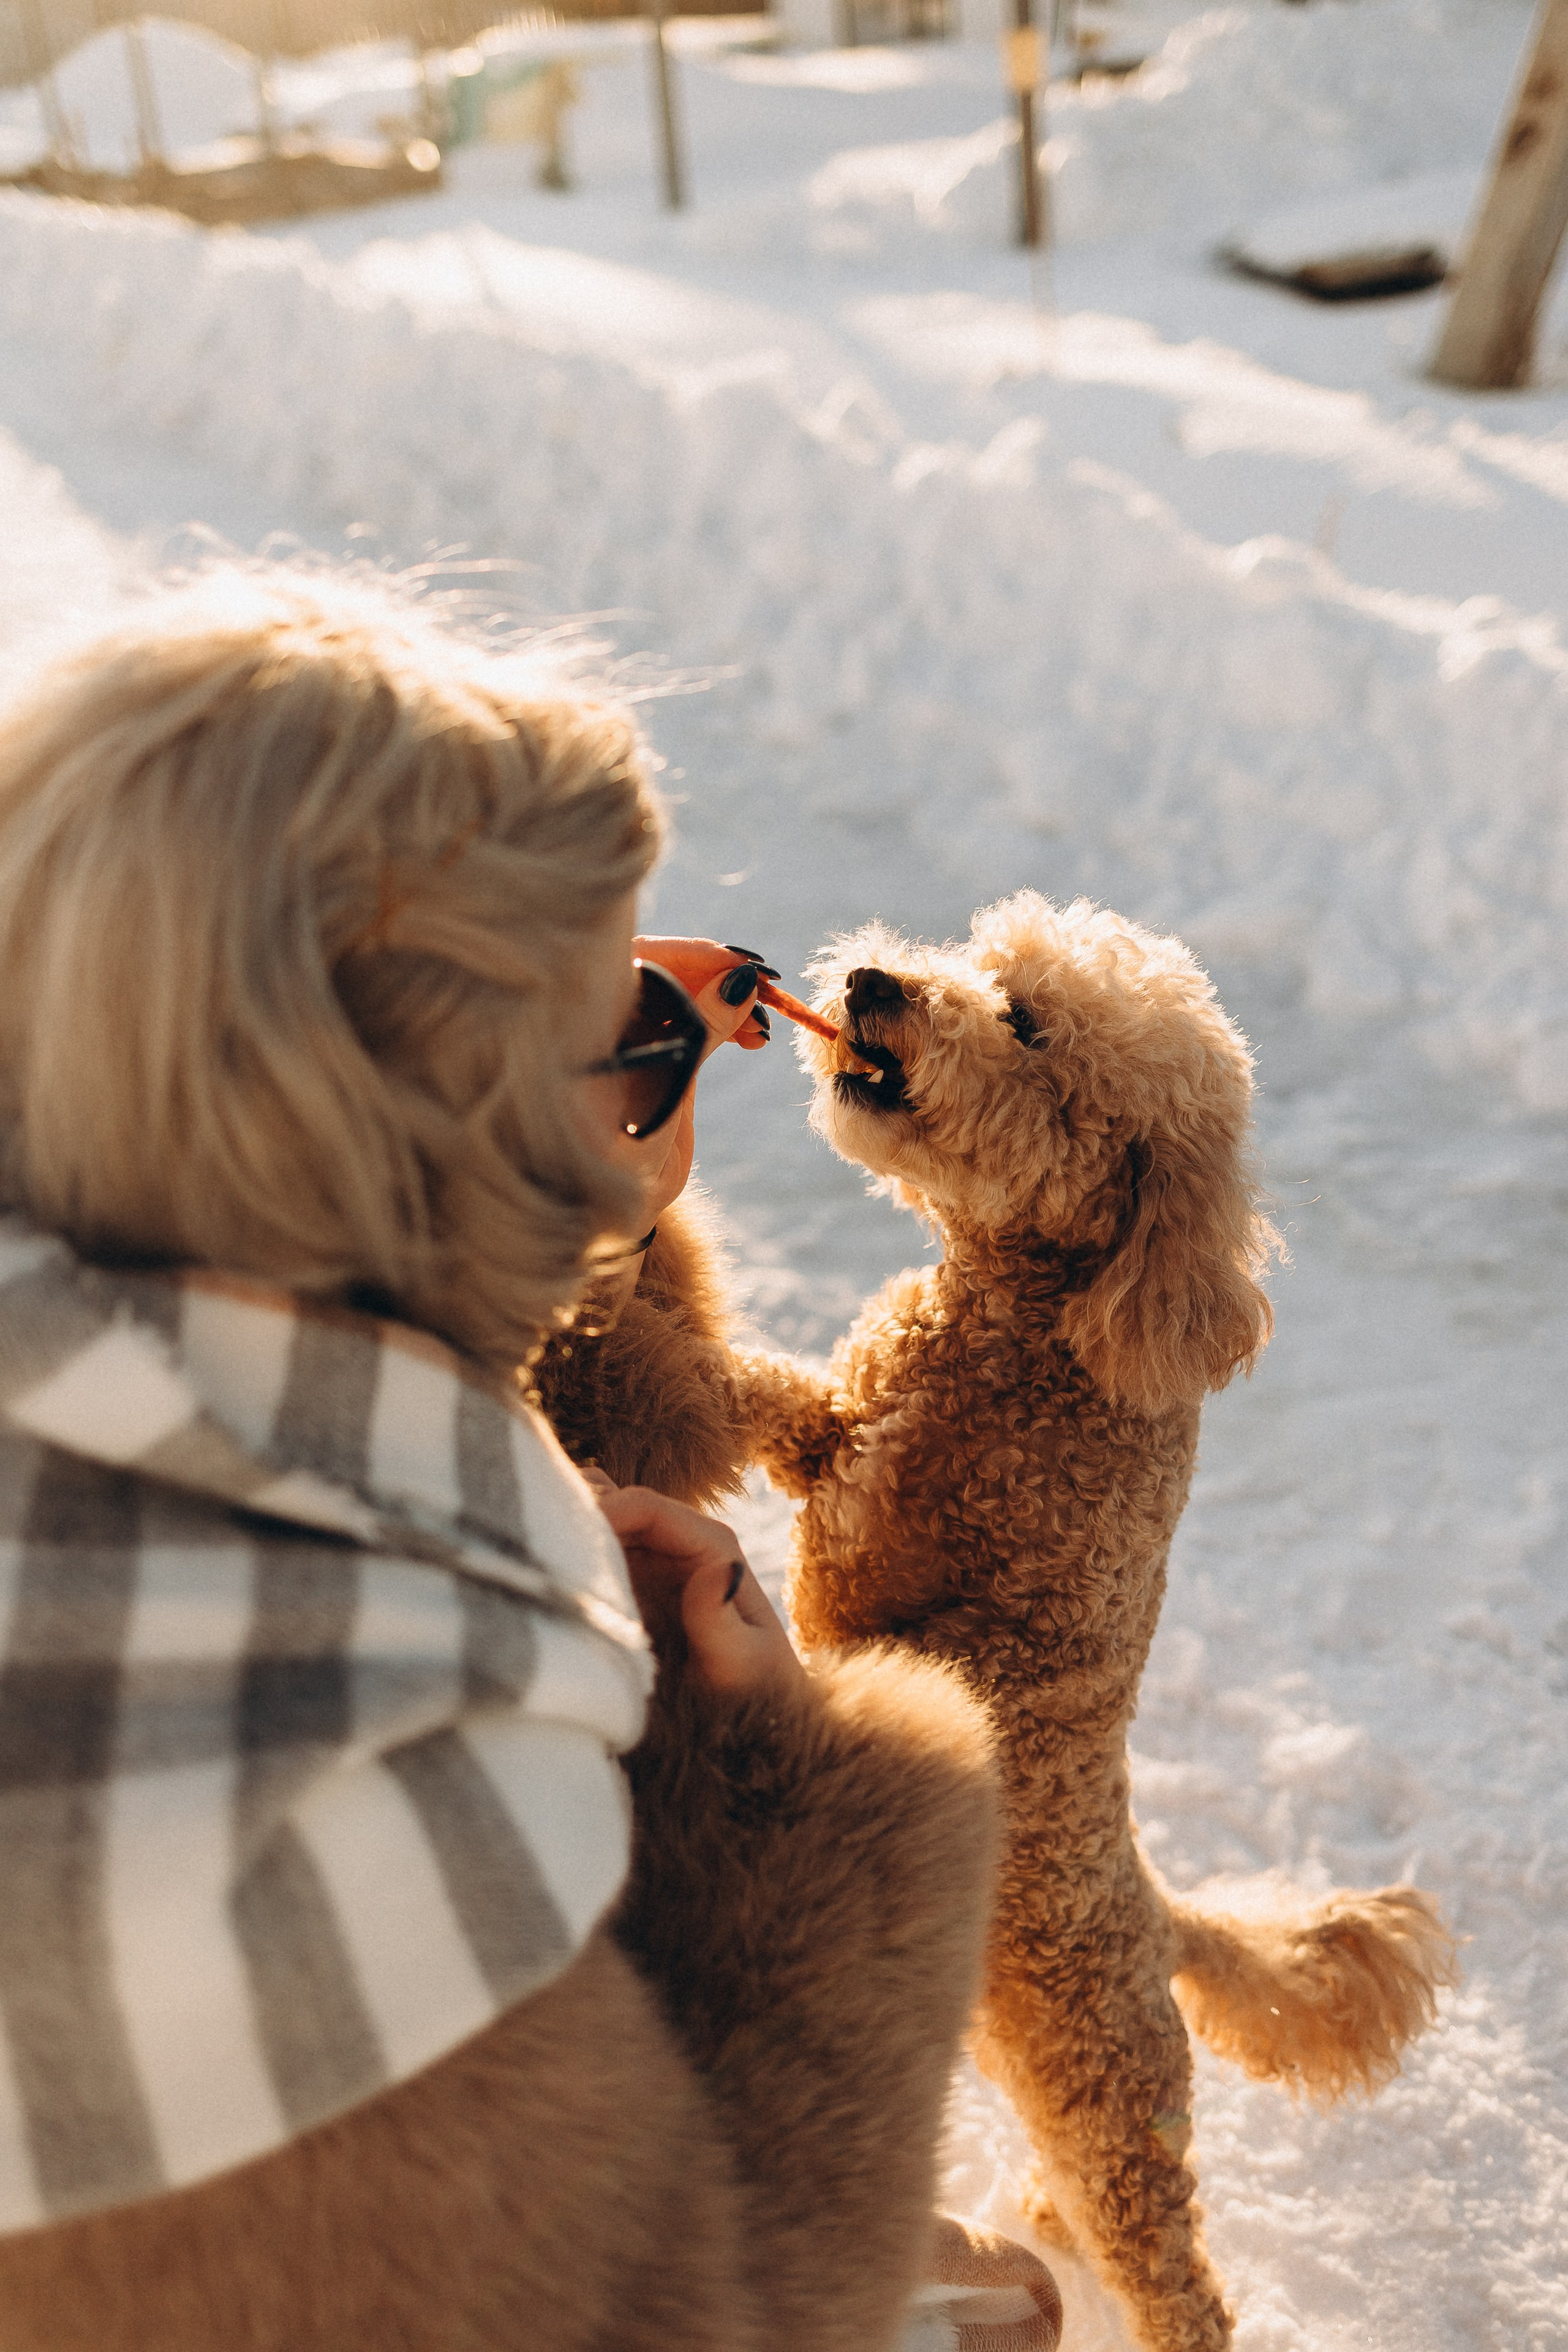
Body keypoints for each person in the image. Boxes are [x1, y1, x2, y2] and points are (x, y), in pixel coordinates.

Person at [0, 571, 1058, 2351]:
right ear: (409, 1140)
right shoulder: (367, 1844)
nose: (677, 1057)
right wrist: (804, 1819)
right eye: (629, 1040)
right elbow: (701, 2318)